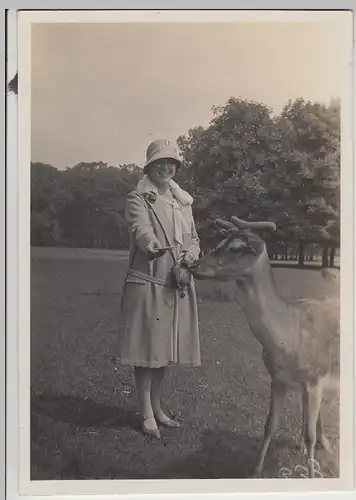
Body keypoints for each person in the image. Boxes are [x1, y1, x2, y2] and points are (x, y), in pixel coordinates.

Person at [114, 139, 201, 439]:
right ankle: (146, 413)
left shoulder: (182, 201)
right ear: (150, 166)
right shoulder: (139, 197)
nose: (167, 167)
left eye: (172, 162)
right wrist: (151, 247)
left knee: (164, 351)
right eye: (161, 162)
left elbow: (194, 239)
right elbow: (141, 230)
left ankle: (157, 407)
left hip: (176, 284)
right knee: (147, 351)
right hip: (149, 281)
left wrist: (191, 254)